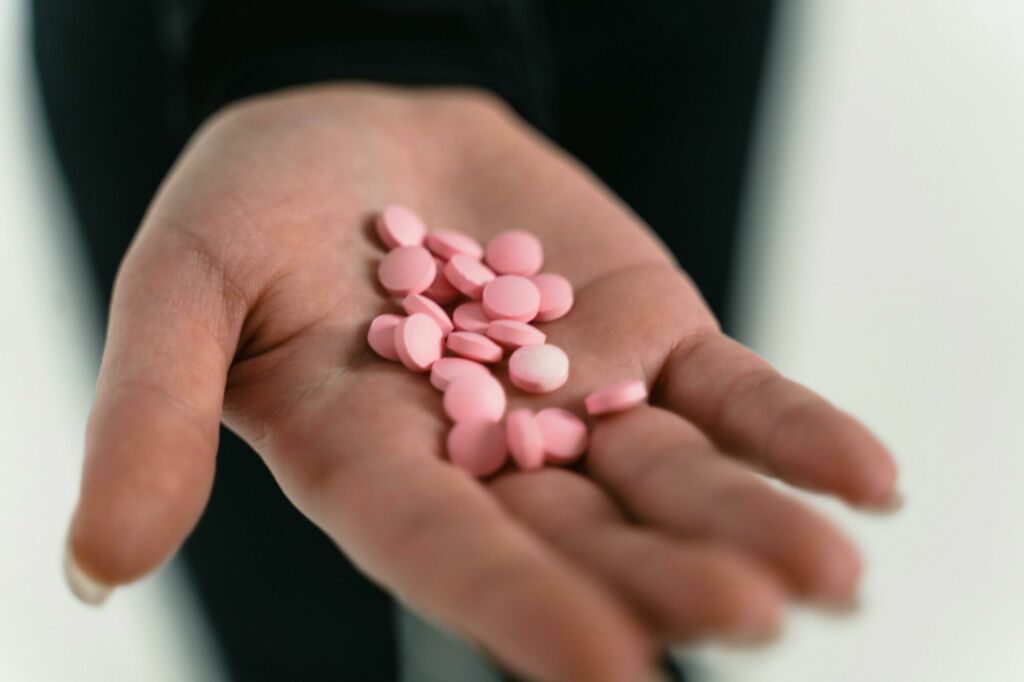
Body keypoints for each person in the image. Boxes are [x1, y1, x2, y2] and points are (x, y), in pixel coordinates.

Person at [33, 2, 900, 680]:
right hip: (216, 46)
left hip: (654, 32)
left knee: (618, 582)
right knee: (294, 584)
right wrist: (335, 33)